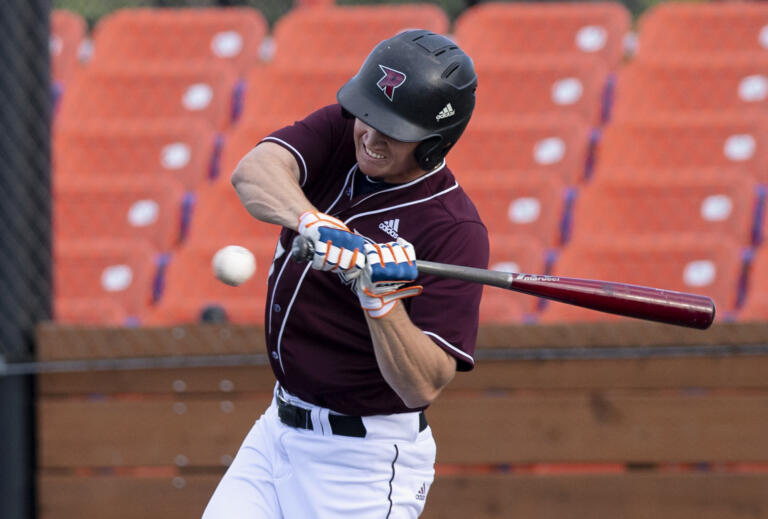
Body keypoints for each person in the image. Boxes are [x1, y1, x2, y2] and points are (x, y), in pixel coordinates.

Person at [202, 29, 489, 518]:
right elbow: (254, 171)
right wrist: (311, 220)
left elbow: (423, 384)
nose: (371, 137)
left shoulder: (455, 230)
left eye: (393, 130)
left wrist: (379, 299)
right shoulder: (344, 134)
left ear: (433, 144)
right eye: (368, 117)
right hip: (277, 432)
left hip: (361, 465)